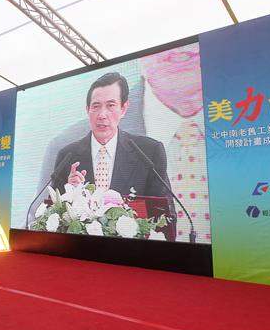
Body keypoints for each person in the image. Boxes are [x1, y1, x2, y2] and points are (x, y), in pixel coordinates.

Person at [49, 72, 176, 237]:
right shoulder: (67, 156)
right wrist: (70, 193)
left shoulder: (149, 152)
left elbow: (166, 217)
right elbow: (51, 216)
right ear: (87, 110)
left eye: (110, 105)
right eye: (96, 106)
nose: (102, 115)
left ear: (123, 109)